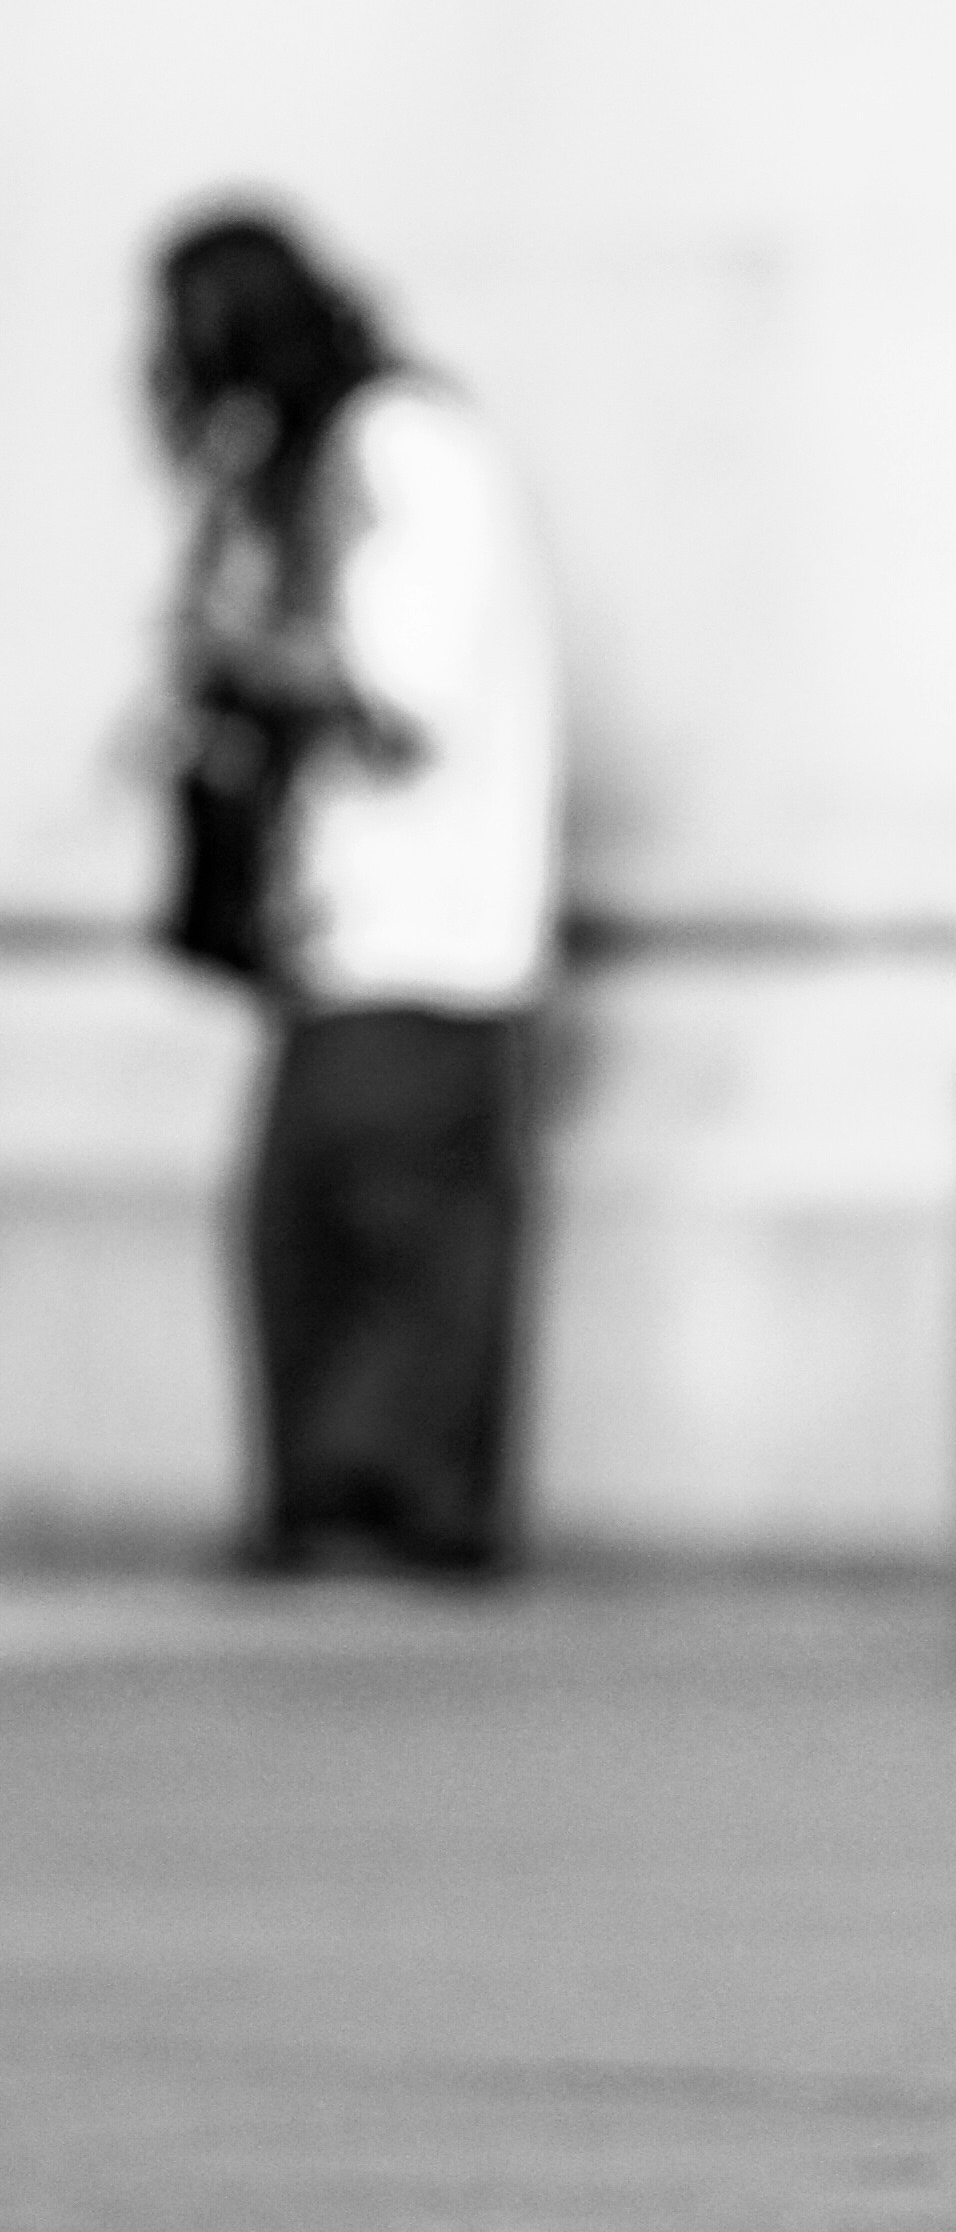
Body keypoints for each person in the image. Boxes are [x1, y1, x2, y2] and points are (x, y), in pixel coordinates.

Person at [142, 207, 564, 1574]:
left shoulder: (404, 454)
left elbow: (395, 696)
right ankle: (340, 1502)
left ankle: (398, 1509)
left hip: (426, 937)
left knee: (386, 1236)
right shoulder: (336, 462)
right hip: (346, 937)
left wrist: (241, 652)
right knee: (304, 1234)